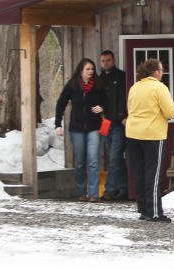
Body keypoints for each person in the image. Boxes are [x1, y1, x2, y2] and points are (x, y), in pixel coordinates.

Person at [126, 59, 174, 222]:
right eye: (161, 70)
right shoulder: (159, 87)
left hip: (132, 133)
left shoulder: (135, 87)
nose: (162, 73)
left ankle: (143, 208)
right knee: (153, 174)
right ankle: (154, 211)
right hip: (152, 134)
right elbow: (170, 112)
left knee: (139, 172)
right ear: (156, 72)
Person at [54, 58, 106, 202]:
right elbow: (61, 103)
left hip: (94, 127)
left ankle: (94, 194)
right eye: (88, 69)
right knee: (79, 161)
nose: (90, 72)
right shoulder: (73, 85)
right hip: (77, 128)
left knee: (93, 160)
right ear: (81, 71)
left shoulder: (98, 85)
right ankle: (81, 192)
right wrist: (57, 123)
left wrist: (102, 107)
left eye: (92, 69)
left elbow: (106, 100)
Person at [98, 50, 129, 200]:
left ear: (114, 60)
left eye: (108, 60)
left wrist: (124, 116)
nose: (106, 63)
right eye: (103, 61)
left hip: (118, 123)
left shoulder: (122, 77)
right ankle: (124, 188)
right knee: (116, 158)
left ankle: (109, 189)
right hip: (105, 123)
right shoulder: (98, 79)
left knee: (115, 156)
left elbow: (125, 99)